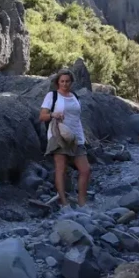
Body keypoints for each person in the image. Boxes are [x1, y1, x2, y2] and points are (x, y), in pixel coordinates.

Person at [39, 69, 91, 207]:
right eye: (62, 81)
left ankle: (82, 202)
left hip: (76, 136)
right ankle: (64, 203)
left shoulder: (74, 96)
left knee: (85, 170)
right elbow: (42, 116)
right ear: (58, 82)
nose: (65, 84)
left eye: (67, 81)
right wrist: (53, 115)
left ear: (71, 82)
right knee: (61, 169)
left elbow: (77, 117)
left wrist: (83, 136)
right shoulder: (52, 96)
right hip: (58, 135)